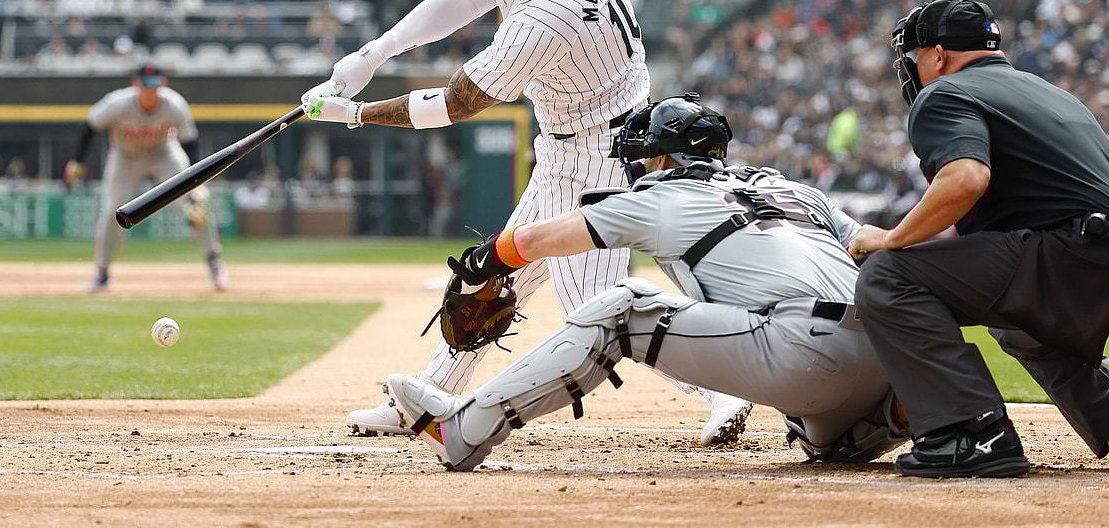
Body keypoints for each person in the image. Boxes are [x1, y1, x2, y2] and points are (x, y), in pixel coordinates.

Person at [299, 0, 753, 445]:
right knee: (493, 276)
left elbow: (455, 103)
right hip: (578, 143)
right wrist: (375, 52)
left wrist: (355, 115)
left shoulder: (546, 18)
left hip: (597, 158)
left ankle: (725, 388)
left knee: (604, 314)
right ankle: (427, 395)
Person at [379, 94, 910, 471]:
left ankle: (464, 430)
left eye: (638, 156)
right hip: (889, 361)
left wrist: (484, 260)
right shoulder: (793, 190)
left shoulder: (663, 196)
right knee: (815, 421)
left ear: (661, 157)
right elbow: (870, 245)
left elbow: (542, 239)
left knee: (625, 308)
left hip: (805, 357)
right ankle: (889, 421)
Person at [848, 0, 1109, 479]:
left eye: (916, 55)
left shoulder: (945, 92)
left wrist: (892, 239)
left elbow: (965, 179)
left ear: (938, 54)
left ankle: (971, 432)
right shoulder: (1045, 90)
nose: (914, 66)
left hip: (1080, 263)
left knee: (886, 276)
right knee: (1016, 316)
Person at [65, 63, 225, 292]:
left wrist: (197, 182)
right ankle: (101, 273)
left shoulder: (174, 104)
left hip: (164, 154)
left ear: (162, 84)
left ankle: (215, 265)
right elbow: (90, 126)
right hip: (125, 157)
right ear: (136, 84)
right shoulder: (118, 102)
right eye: (145, 85)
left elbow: (190, 142)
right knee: (111, 211)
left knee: (198, 204)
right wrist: (77, 161)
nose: (149, 90)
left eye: (154, 85)